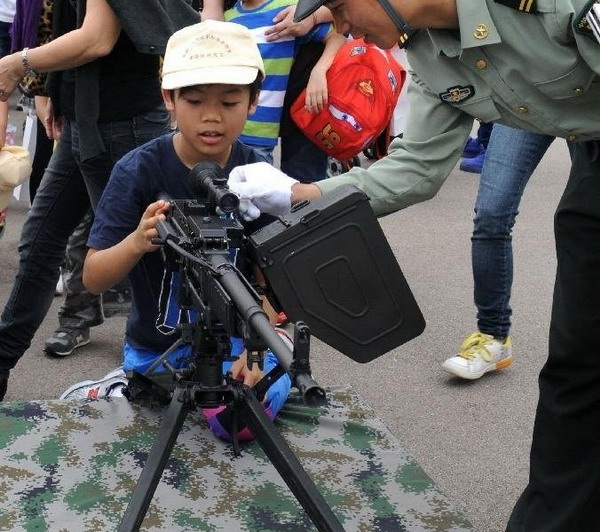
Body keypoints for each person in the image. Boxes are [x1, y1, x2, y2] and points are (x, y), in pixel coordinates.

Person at [228, 0, 600, 530]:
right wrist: (300, 194)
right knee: (578, 362)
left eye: (340, 5)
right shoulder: (426, 52)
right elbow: (418, 166)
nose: (340, 25)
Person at [64, 20, 291, 441]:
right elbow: (92, 278)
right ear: (168, 98)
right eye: (194, 100)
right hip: (156, 348)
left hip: (234, 345)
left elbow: (271, 279)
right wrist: (137, 241)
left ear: (253, 101)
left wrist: (259, 346)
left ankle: (149, 393)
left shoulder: (257, 175)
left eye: (229, 101)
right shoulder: (137, 170)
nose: (211, 115)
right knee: (156, 416)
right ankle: (120, 386)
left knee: (239, 423)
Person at [0, 0, 200, 401]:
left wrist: (16, 63)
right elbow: (69, 22)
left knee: (146, 263)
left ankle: (175, 383)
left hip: (122, 120)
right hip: (83, 118)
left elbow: (97, 39)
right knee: (39, 243)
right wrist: (57, 92)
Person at [441, 124, 555, 380]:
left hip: (589, 107)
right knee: (491, 215)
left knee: (585, 221)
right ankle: (493, 337)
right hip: (528, 105)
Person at [222, 0, 346, 164]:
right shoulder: (228, 19)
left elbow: (337, 36)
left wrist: (319, 70)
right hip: (227, 129)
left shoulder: (287, 11)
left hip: (260, 133)